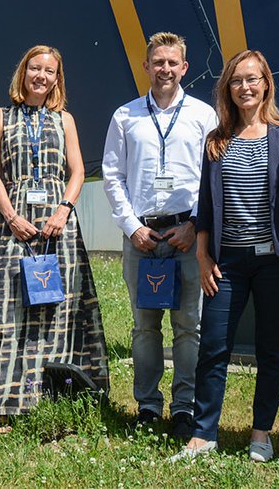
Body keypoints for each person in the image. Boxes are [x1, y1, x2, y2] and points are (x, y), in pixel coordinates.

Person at [172, 50, 279, 463]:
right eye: (237, 81)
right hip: (226, 262)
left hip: (276, 261)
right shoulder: (217, 140)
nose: (245, 87)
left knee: (271, 347)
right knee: (214, 345)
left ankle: (260, 434)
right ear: (227, 89)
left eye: (253, 79)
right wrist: (202, 254)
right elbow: (205, 204)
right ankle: (203, 433)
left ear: (266, 83)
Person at [0, 44, 109, 431]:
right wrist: (12, 216)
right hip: (16, 221)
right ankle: (5, 404)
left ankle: (60, 399)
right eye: (35, 68)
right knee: (5, 314)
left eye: (49, 70)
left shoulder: (64, 119)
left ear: (57, 78)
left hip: (59, 225)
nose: (41, 75)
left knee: (61, 312)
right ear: (23, 73)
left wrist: (64, 209)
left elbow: (76, 171)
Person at [102, 31, 217, 440]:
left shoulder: (204, 116)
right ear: (146, 66)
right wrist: (131, 227)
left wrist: (195, 225)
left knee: (189, 327)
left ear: (184, 68)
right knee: (144, 326)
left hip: (187, 234)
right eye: (158, 62)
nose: (165, 69)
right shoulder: (125, 116)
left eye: (173, 63)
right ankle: (148, 406)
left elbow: (213, 178)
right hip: (143, 237)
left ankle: (184, 407)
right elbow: (112, 177)